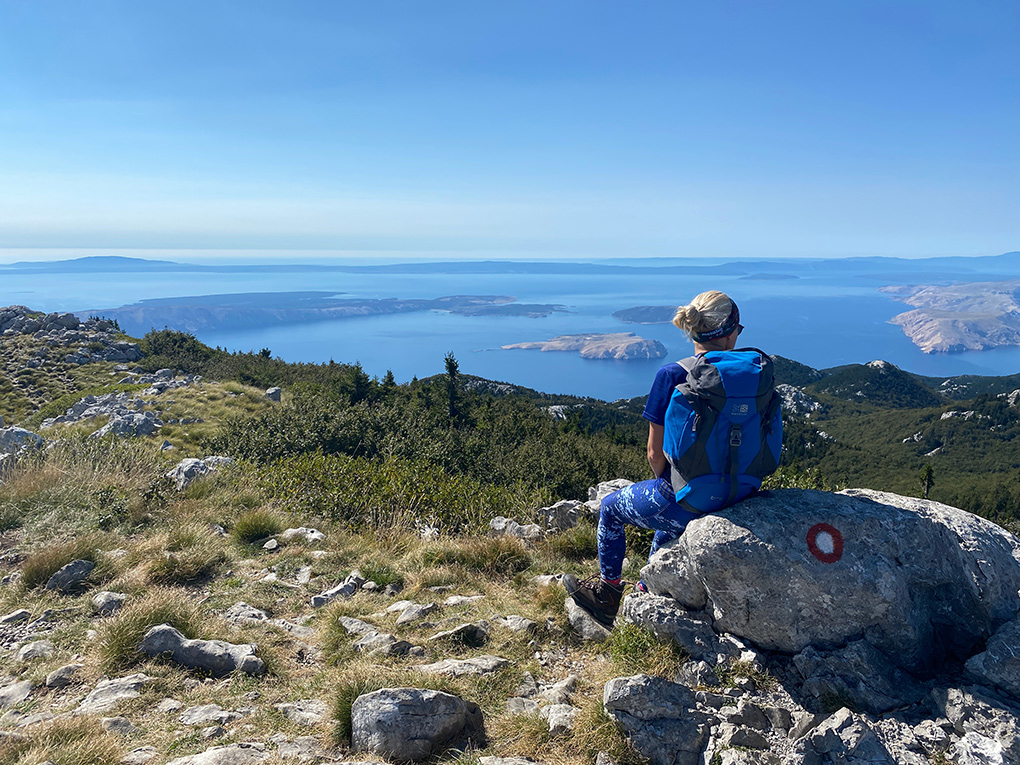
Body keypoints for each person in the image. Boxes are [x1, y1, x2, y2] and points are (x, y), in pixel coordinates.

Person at [563, 290, 764, 627]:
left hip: (691, 497)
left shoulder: (672, 375)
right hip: (743, 491)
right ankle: (645, 590)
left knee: (612, 509)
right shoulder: (756, 372)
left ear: (694, 330)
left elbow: (655, 454)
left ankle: (609, 595)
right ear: (730, 333)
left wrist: (670, 482)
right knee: (664, 529)